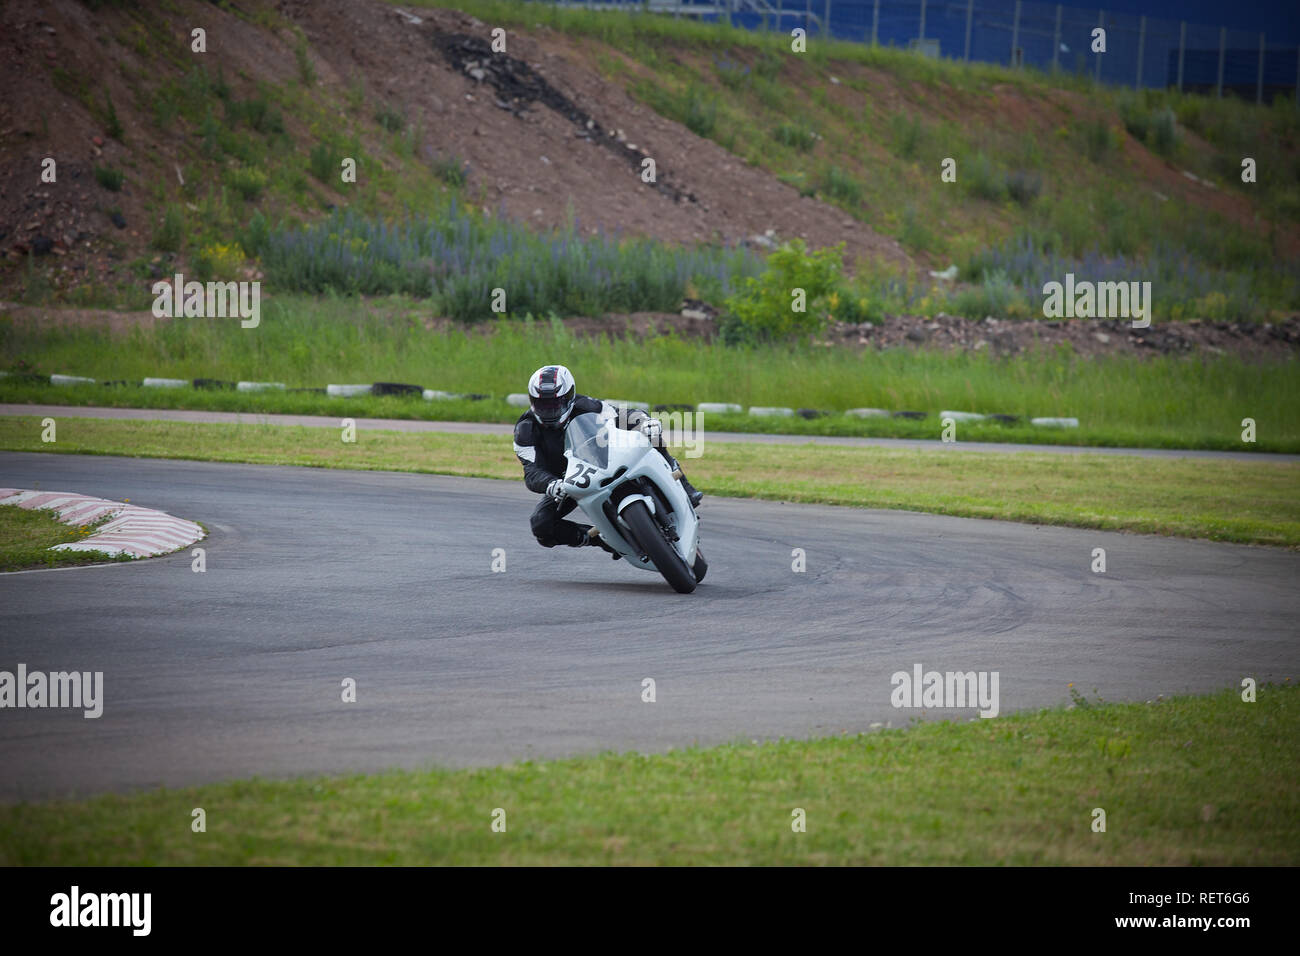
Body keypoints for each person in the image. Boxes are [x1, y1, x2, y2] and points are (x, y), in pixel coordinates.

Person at [513, 364, 702, 554]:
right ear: (532, 401)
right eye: (542, 405)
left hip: (605, 459)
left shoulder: (585, 405)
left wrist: (644, 422)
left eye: (554, 404)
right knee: (541, 525)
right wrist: (551, 484)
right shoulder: (525, 429)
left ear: (569, 397)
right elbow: (531, 471)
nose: (549, 411)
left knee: (650, 432)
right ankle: (601, 540)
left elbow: (622, 414)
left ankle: (681, 481)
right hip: (568, 483)